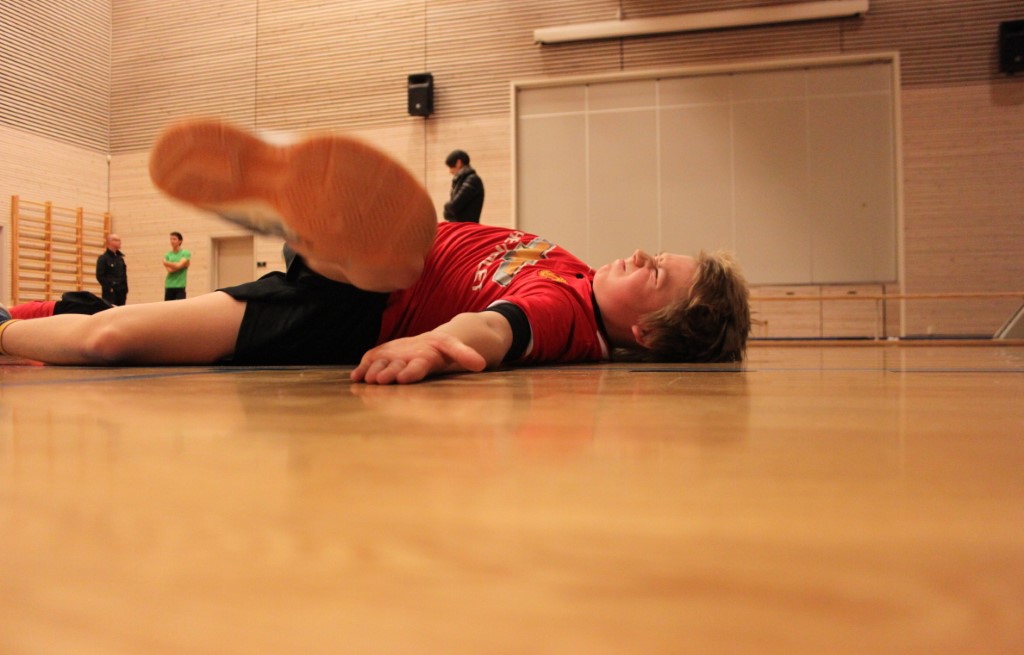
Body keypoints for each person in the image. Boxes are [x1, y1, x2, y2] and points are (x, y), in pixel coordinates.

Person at [0, 118, 750, 385]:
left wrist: (436, 344)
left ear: (647, 332)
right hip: (358, 278)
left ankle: (5, 330)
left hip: (356, 310)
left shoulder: (567, 318)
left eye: (657, 273)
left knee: (109, 337)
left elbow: (495, 331)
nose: (641, 254)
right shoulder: (578, 273)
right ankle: (318, 231)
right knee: (115, 325)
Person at [443, 149, 485, 223]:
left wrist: (446, 206)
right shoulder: (461, 180)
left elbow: (453, 206)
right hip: (461, 226)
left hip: (467, 227)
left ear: (458, 163)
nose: (450, 171)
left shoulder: (472, 180)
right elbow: (448, 213)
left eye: (451, 167)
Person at [96, 233, 128, 305]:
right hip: (110, 293)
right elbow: (100, 276)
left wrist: (125, 289)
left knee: (121, 310)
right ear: (111, 242)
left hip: (121, 292)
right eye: (117, 240)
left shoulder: (120, 259)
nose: (120, 242)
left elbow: (123, 276)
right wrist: (109, 287)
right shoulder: (103, 258)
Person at [163, 231, 191, 300]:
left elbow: (178, 265)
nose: (172, 241)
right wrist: (181, 265)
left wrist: (167, 263)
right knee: (168, 306)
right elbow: (169, 270)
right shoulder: (167, 255)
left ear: (180, 241)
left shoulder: (185, 253)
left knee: (181, 305)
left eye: (174, 239)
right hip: (169, 285)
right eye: (171, 239)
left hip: (180, 285)